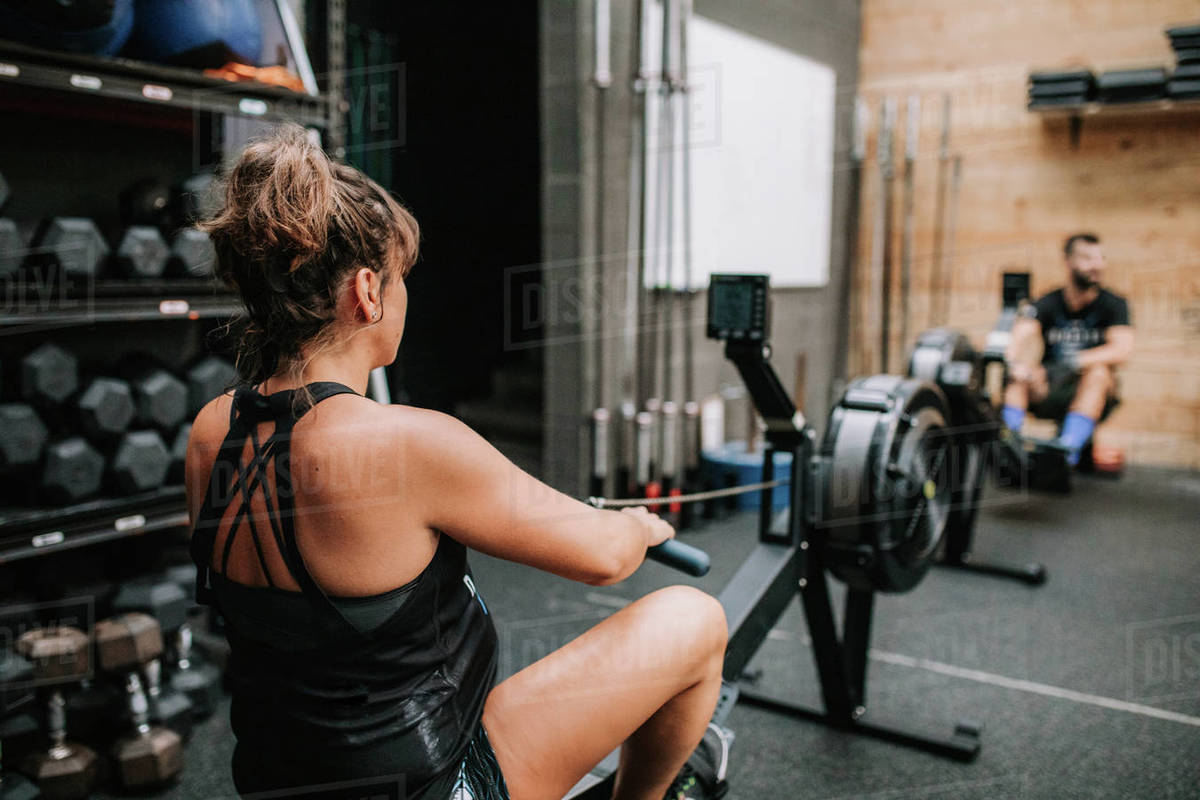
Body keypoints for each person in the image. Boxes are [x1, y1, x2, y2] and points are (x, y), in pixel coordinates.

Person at [184, 125, 728, 800]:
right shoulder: (408, 443)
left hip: (278, 783)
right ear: (367, 294)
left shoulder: (211, 429)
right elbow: (604, 558)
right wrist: (641, 529)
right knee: (693, 618)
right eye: (399, 279)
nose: (403, 297)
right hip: (432, 788)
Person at [1001, 233, 1134, 465]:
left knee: (1099, 372)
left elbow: (1122, 350)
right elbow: (1020, 335)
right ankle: (1008, 448)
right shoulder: (1048, 302)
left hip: (1094, 391)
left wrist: (1076, 361)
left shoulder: (1114, 304)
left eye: (1101, 258)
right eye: (1087, 258)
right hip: (1051, 384)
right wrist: (1014, 364)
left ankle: (1066, 453)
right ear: (1068, 261)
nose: (1097, 265)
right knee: (1020, 374)